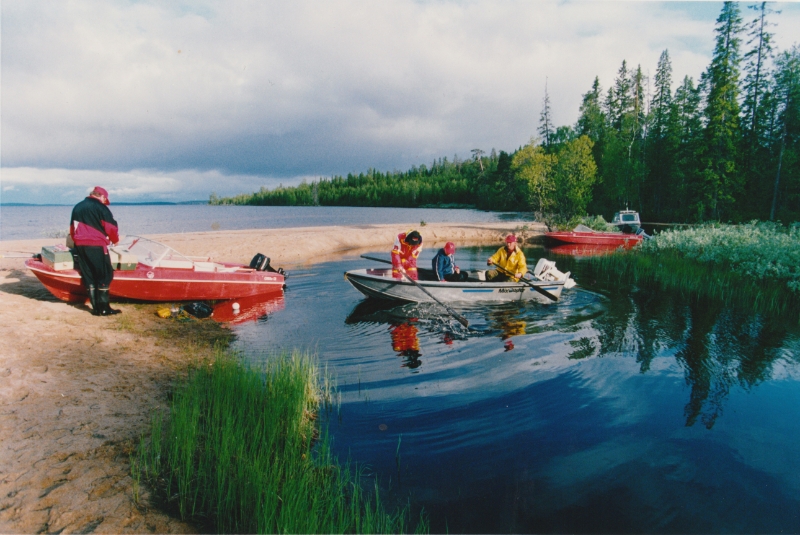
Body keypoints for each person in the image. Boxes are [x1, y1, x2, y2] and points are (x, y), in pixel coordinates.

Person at [70, 186, 121, 316]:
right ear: (102, 196)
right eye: (105, 199)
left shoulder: (77, 207)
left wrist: (77, 242)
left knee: (89, 275)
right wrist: (115, 241)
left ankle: (95, 308)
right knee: (104, 274)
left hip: (80, 245)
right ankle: (104, 308)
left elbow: (72, 228)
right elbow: (111, 228)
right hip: (97, 245)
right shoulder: (101, 207)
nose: (105, 202)